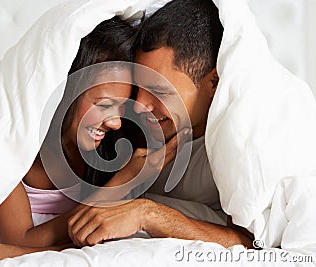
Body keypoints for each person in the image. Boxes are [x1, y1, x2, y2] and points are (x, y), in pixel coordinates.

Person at [0, 16, 186, 267]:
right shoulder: (12, 144)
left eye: (122, 108)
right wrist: (119, 185)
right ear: (64, 94)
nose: (115, 122)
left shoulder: (118, 140)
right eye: (104, 105)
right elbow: (20, 240)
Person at [67, 0, 254, 249]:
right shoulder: (124, 125)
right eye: (138, 88)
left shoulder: (241, 136)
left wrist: (147, 214)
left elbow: (252, 244)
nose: (138, 107)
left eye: (158, 90)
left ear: (213, 83)